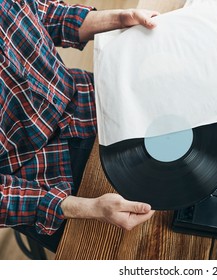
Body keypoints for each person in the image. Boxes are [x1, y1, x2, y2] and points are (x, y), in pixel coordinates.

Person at [0, 0, 158, 252]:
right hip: (47, 184)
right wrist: (89, 208)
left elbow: (42, 14)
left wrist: (120, 18)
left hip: (86, 97)